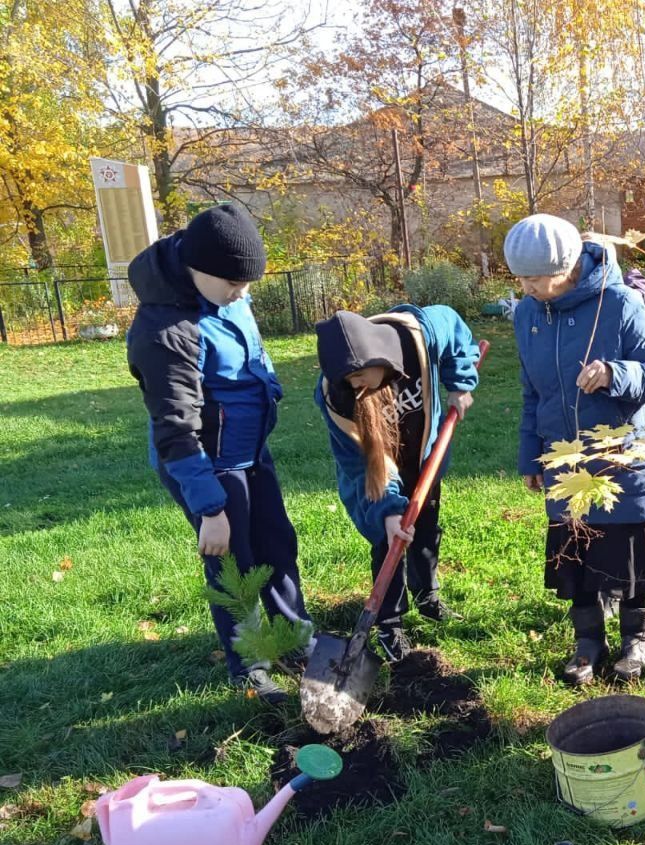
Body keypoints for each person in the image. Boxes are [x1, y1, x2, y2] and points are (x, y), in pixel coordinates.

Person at [126, 203, 309, 705]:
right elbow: (176, 431)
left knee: (276, 542)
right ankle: (249, 661)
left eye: (247, 284)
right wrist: (211, 509)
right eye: (233, 284)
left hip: (250, 449)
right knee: (235, 559)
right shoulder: (166, 331)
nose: (242, 293)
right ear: (196, 267)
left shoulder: (227, 291)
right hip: (206, 463)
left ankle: (293, 638)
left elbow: (248, 356)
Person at [506, 214, 645, 684]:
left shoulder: (619, 304)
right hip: (564, 455)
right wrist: (530, 456)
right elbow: (531, 392)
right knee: (575, 553)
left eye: (536, 278)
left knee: (631, 554)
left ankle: (634, 639)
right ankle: (588, 641)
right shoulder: (527, 314)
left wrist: (613, 374)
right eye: (520, 279)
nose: (528, 288)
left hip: (623, 453)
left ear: (567, 266)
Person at [314, 306, 480, 659]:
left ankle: (428, 595)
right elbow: (362, 467)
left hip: (423, 456)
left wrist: (460, 383)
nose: (354, 387)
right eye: (348, 382)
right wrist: (388, 510)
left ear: (373, 358)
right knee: (388, 540)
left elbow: (456, 328)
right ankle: (389, 623)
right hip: (376, 474)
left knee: (427, 526)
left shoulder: (417, 334)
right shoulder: (337, 397)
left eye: (357, 377)